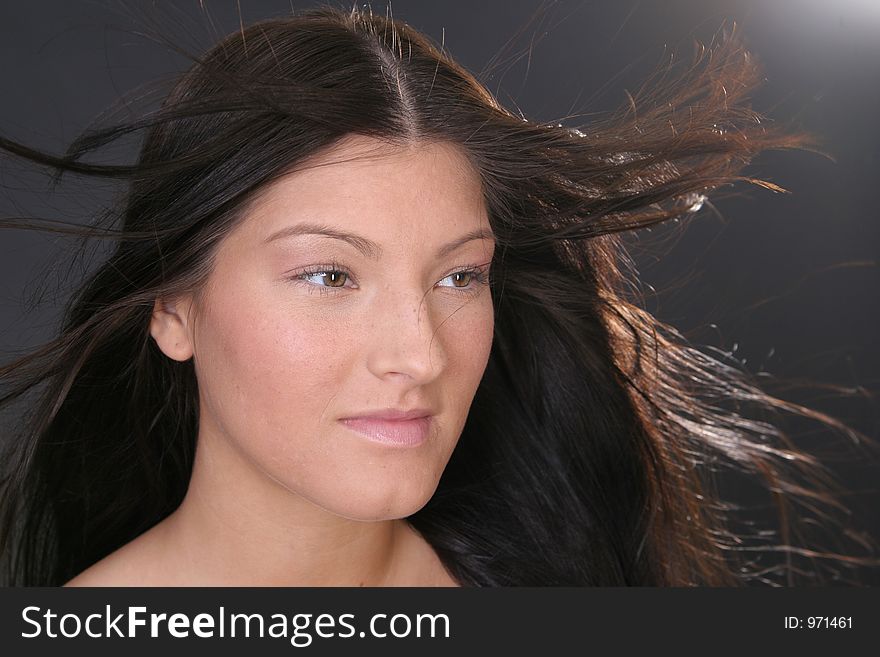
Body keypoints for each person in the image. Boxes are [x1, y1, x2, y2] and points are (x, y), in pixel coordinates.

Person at [0, 4, 875, 587]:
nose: (420, 353)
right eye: (330, 275)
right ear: (173, 308)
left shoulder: (575, 577)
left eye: (459, 276)